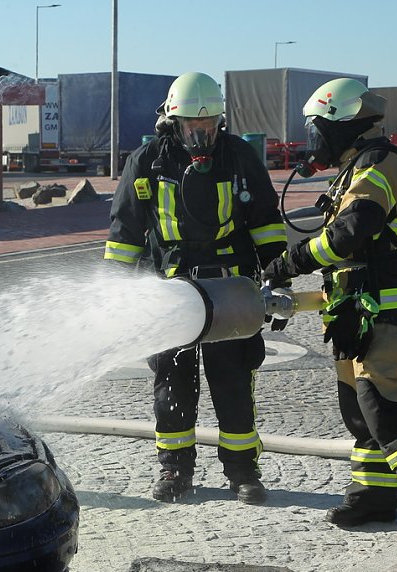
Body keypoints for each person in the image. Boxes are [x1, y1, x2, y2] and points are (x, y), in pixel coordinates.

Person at [263, 77, 397, 532]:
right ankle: (372, 497)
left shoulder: (379, 164)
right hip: (353, 307)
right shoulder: (354, 167)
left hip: (383, 301)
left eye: (316, 129)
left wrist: (290, 262)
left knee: (379, 396)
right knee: (358, 405)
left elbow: (353, 230)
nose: (313, 139)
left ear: (342, 123)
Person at [104, 72, 287, 504]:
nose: (201, 135)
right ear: (174, 121)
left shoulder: (239, 157)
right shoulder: (147, 161)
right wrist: (113, 293)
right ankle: (175, 470)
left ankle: (243, 472)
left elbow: (266, 224)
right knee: (172, 385)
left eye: (208, 125)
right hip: (171, 292)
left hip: (230, 289)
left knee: (233, 381)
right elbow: (124, 233)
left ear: (220, 121)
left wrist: (277, 281)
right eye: (192, 126)